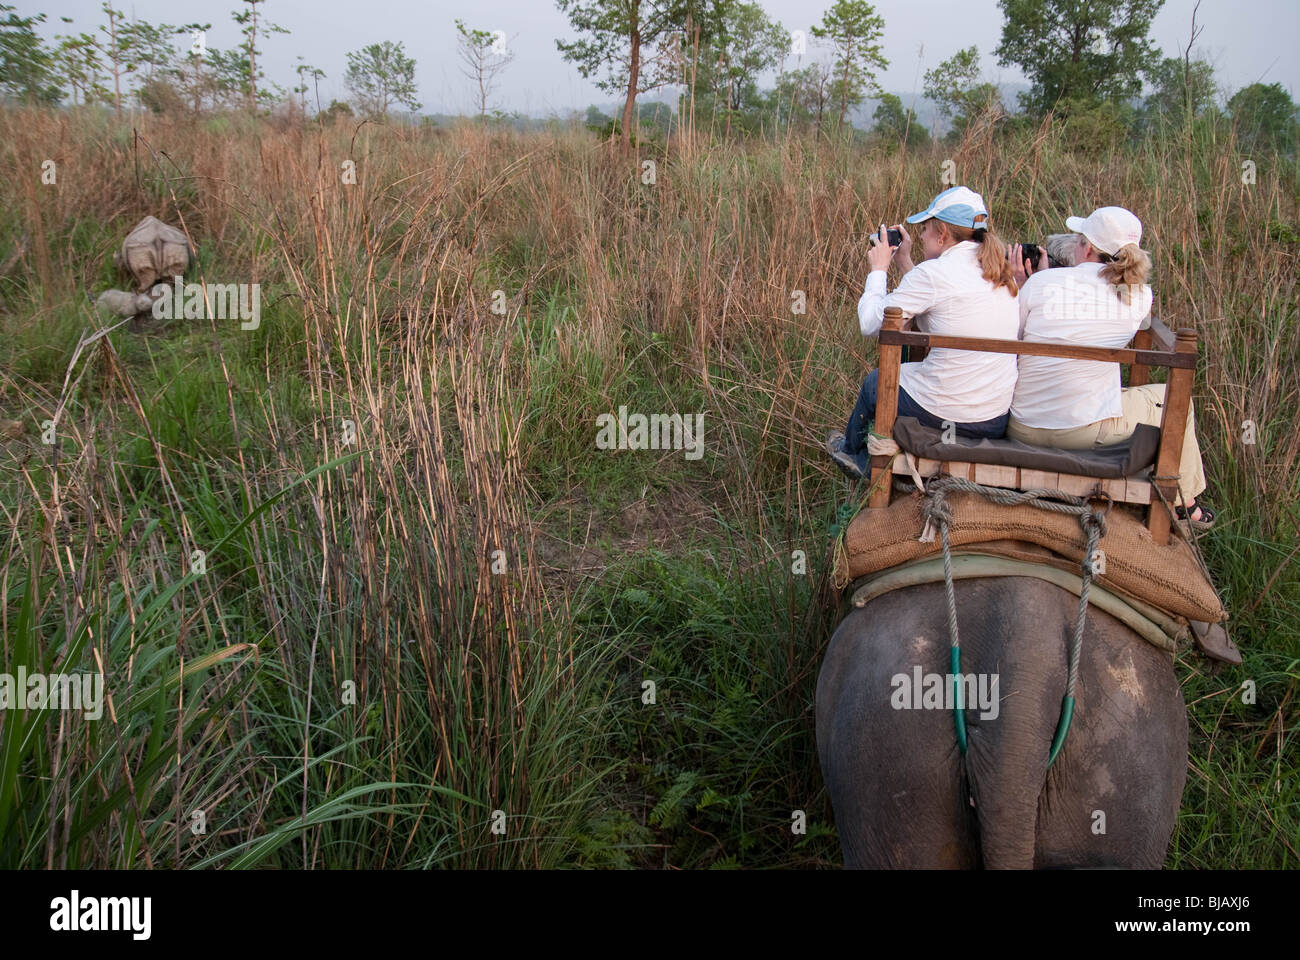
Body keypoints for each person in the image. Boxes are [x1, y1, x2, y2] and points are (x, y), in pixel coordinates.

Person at [1006, 205, 1215, 531]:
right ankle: (1185, 504)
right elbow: (1130, 315)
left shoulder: (1039, 284)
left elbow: (1012, 338)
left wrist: (1033, 281)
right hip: (1085, 432)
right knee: (1174, 398)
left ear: (1086, 247)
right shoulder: (1138, 296)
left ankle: (1185, 505)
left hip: (1023, 426)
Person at [827, 186, 1020, 479]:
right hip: (993, 419)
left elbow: (869, 323)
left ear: (942, 233)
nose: (920, 235)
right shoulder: (999, 272)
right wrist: (905, 261)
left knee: (874, 382)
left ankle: (854, 454)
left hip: (951, 416)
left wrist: (879, 269)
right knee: (914, 372)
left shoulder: (934, 274)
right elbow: (940, 302)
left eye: (926, 228)